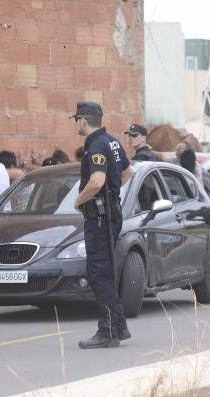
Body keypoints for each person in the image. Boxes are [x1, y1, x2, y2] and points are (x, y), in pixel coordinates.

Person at [71, 102, 133, 349]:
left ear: (83, 121)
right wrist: (113, 195)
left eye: (76, 119)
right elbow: (128, 172)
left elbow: (96, 180)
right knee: (105, 270)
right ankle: (118, 326)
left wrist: (79, 200)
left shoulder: (96, 145)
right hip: (110, 213)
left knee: (100, 273)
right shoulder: (112, 141)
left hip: (99, 218)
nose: (76, 124)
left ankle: (107, 330)